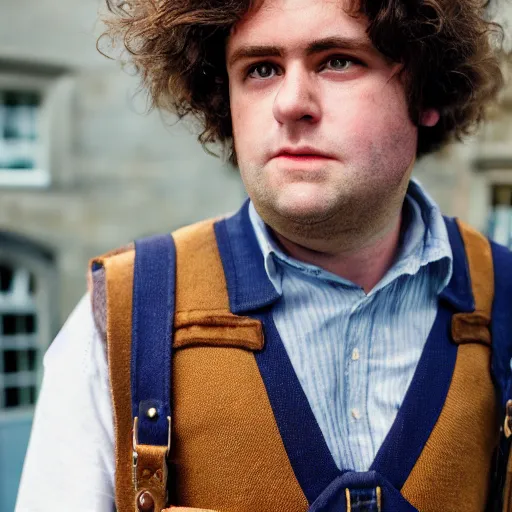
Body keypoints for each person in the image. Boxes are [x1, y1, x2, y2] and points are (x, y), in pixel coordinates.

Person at [15, 0, 512, 510]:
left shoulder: (505, 297)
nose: (290, 102)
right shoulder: (120, 317)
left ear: (426, 90)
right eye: (261, 69)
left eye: (338, 60)